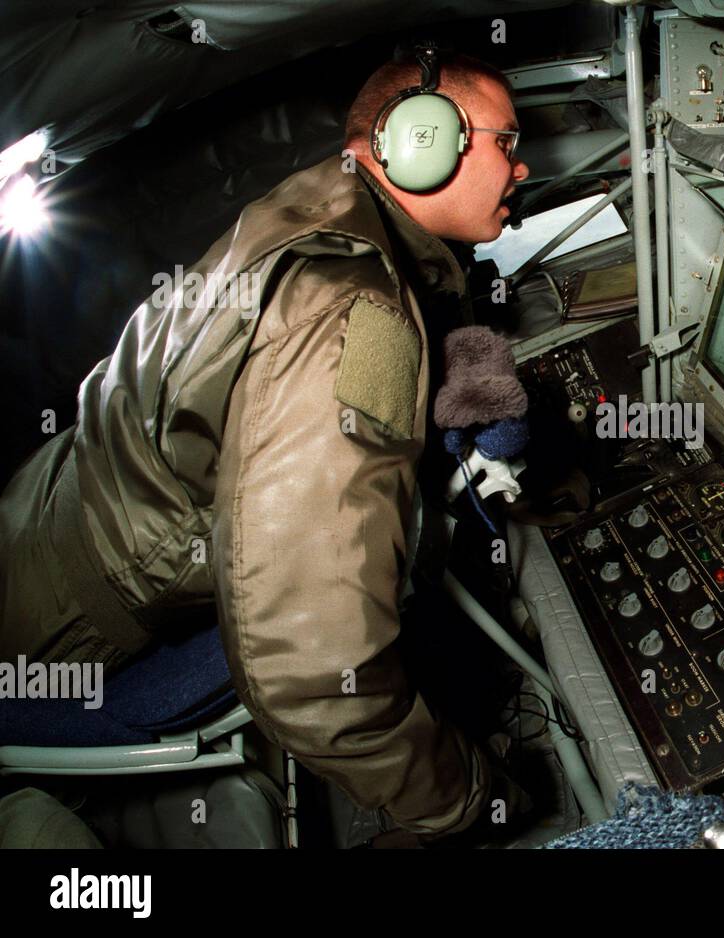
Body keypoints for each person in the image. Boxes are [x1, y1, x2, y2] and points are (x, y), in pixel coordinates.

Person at [0, 46, 531, 840]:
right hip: (57, 619)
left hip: (39, 516)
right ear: (422, 140)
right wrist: (463, 794)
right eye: (508, 143)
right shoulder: (351, 309)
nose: (521, 172)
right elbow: (313, 669)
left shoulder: (311, 209)